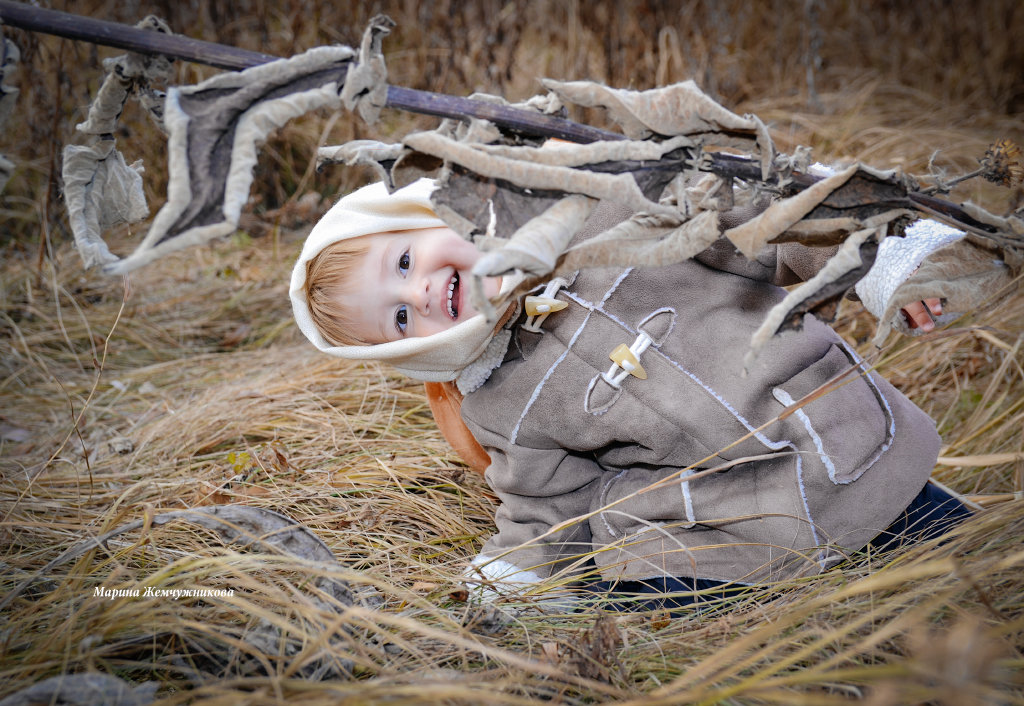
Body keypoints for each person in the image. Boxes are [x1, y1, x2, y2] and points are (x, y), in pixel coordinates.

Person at [290, 177, 972, 612]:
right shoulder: (497, 405)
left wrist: (878, 262)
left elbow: (760, 230)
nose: (418, 291)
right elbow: (548, 505)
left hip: (844, 437)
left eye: (404, 261)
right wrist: (517, 575)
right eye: (400, 317)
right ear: (405, 352)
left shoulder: (602, 224)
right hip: (740, 528)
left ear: (434, 215)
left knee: (968, 562)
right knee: (629, 593)